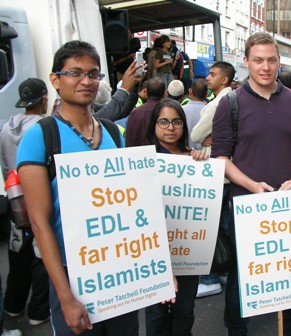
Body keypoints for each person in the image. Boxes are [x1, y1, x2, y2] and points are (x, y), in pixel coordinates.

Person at [16, 40, 139, 335]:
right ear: (56, 80)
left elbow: (133, 206)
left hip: (122, 273)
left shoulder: (114, 133)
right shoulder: (39, 138)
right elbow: (39, 223)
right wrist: (65, 296)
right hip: (74, 278)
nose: (86, 80)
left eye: (93, 73)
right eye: (75, 72)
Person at [212, 32, 291, 336]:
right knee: (242, 278)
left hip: (289, 206)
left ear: (279, 61)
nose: (265, 66)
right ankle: (237, 330)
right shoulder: (229, 103)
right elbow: (221, 158)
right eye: (258, 60)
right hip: (246, 207)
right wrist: (251, 184)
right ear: (246, 61)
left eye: (271, 60)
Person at [143, 98, 208, 336]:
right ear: (154, 125)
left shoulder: (194, 159)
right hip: (153, 250)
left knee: (185, 309)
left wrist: (203, 165)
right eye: (164, 121)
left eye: (176, 122)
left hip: (188, 247)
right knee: (157, 312)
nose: (170, 127)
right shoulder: (142, 160)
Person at [0, 78, 50, 327]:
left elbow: (6, 166)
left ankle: (12, 306)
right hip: (39, 199)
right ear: (44, 99)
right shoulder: (44, 128)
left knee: (18, 254)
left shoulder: (6, 128)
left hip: (15, 199)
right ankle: (38, 311)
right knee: (42, 257)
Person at [191, 61, 236, 298]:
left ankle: (210, 278)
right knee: (226, 226)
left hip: (215, 173)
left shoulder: (219, 102)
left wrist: (208, 135)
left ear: (225, 80)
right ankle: (225, 271)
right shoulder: (236, 100)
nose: (207, 78)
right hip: (230, 172)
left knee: (210, 228)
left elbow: (196, 134)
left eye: (212, 74)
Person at [125, 76, 166, 147]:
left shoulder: (135, 113)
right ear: (164, 93)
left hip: (140, 156)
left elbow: (129, 140)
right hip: (164, 156)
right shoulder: (168, 112)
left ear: (146, 92)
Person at [182, 78, 208, 150]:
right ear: (206, 94)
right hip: (204, 153)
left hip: (184, 151)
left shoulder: (181, 110)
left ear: (190, 91)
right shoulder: (210, 111)